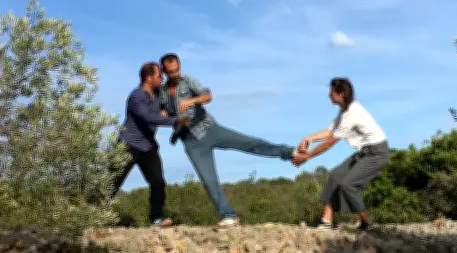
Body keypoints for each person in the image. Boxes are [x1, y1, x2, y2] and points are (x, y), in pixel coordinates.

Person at [158, 52, 300, 227]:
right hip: (191, 141)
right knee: (209, 180)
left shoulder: (188, 81)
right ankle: (228, 215)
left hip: (209, 129)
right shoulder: (162, 92)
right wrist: (163, 113)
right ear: (164, 72)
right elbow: (160, 112)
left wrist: (192, 100)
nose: (175, 73)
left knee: (249, 143)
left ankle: (288, 152)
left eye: (177, 69)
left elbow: (207, 96)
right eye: (171, 71)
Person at [292, 77, 390, 232]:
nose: (329, 95)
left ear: (342, 94)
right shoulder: (344, 111)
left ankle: (366, 223)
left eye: (331, 92)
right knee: (336, 176)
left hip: (377, 152)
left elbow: (330, 142)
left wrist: (307, 156)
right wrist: (309, 138)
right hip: (365, 152)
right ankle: (326, 220)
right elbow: (330, 131)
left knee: (348, 185)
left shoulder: (352, 113)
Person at [111, 62, 189, 227]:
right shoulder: (136, 96)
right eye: (159, 76)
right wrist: (175, 120)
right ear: (148, 77)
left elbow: (170, 104)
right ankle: (91, 218)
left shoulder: (158, 94)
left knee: (158, 182)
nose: (161, 79)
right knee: (111, 183)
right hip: (128, 145)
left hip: (148, 146)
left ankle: (157, 218)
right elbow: (149, 117)